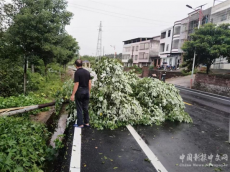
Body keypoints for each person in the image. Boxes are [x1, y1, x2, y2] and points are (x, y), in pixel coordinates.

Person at [70, 60, 91, 128]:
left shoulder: (77, 72)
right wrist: (89, 92)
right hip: (86, 91)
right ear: (82, 64)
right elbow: (89, 83)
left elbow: (76, 84)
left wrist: (73, 94)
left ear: (76, 65)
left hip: (80, 91)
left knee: (79, 108)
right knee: (85, 107)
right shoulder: (87, 72)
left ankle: (80, 124)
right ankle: (87, 123)